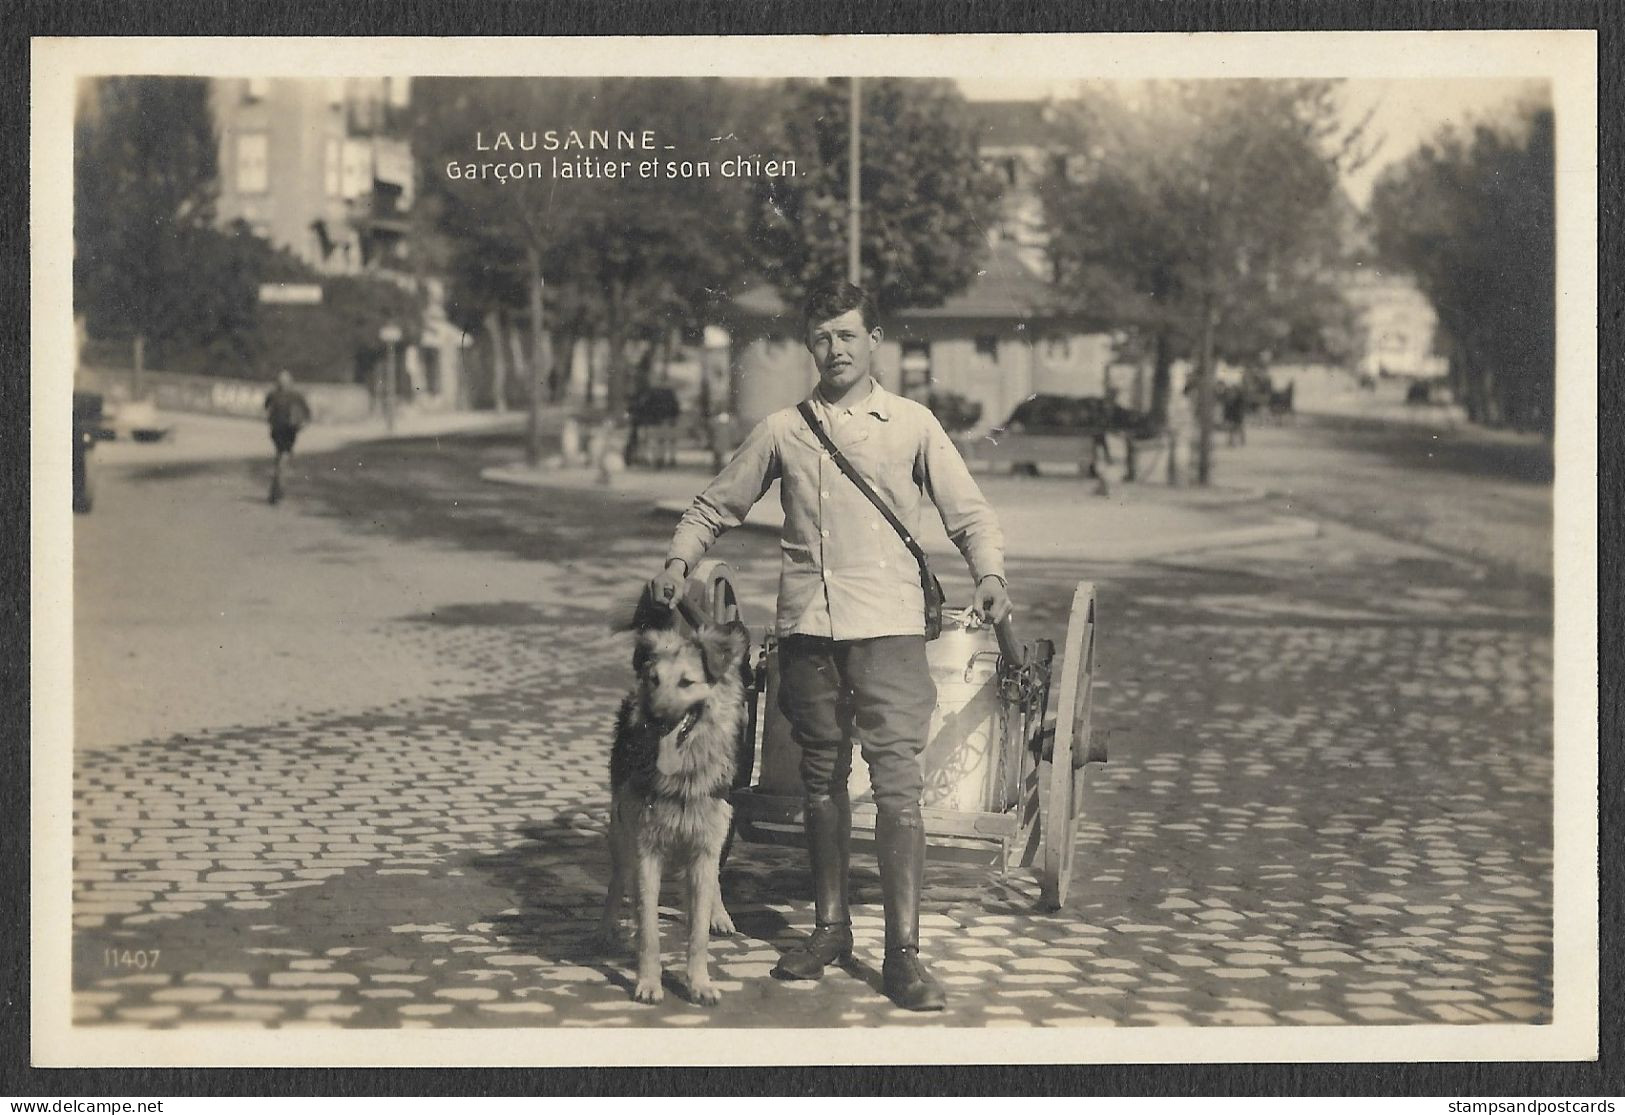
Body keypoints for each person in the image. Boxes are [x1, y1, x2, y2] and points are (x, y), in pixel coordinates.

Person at [649, 282, 1011, 1011]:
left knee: (898, 783)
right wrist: (679, 559)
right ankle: (829, 927)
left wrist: (991, 574)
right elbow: (715, 502)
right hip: (808, 630)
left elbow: (967, 511)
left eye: (847, 335)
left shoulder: (910, 424)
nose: (835, 349)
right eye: (822, 337)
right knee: (820, 779)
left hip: (888, 628)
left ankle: (904, 954)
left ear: (874, 340)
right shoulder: (785, 428)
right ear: (810, 345)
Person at [263, 371, 312, 505]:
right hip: (288, 432)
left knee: (279, 459)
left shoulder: (273, 394)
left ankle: (276, 490)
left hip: (277, 431)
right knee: (283, 460)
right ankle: (278, 490)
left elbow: (266, 408)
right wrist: (301, 424)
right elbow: (307, 414)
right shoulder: (296, 396)